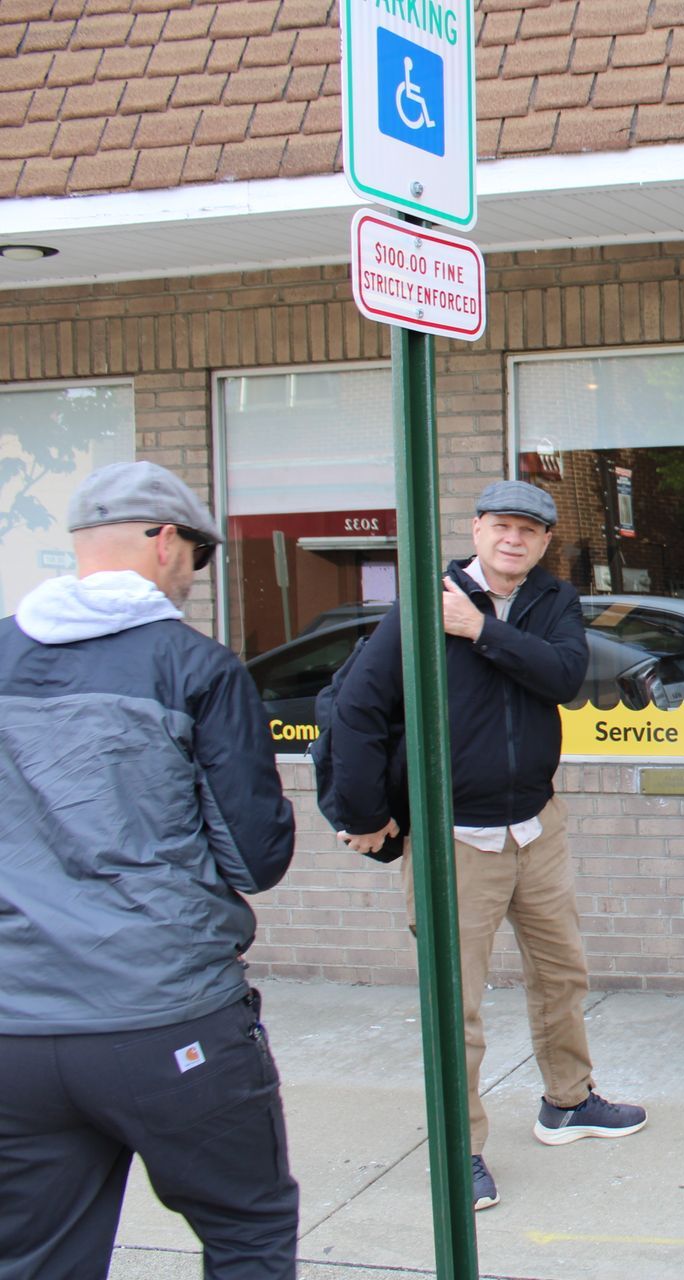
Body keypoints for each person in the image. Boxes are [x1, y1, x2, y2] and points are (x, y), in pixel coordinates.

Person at [0, 461, 300, 1279]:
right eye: (199, 559)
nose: (196, 581)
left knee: (33, 1258)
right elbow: (254, 856)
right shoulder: (195, 667)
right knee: (248, 1234)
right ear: (166, 541)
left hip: (15, 1030)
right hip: (166, 1020)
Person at [329, 480, 646, 1213]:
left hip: (535, 825)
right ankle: (459, 1149)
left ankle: (568, 1101)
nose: (515, 540)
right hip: (454, 839)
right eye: (502, 526)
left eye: (530, 532)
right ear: (476, 529)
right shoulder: (423, 599)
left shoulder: (550, 600)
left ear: (542, 543)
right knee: (456, 1005)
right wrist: (367, 813)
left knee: (562, 972)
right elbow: (358, 709)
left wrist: (479, 629)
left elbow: (565, 677)